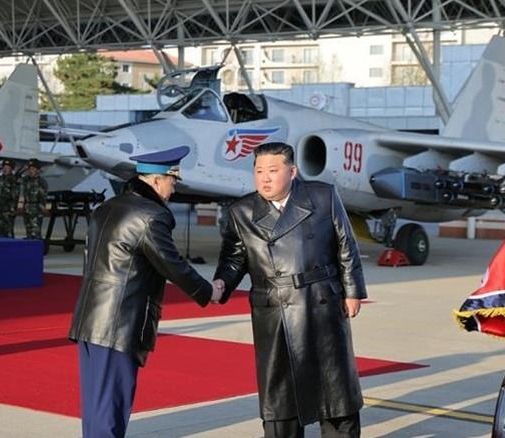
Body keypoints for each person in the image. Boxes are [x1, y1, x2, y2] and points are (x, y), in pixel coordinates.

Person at [68, 145, 223, 438]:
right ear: (155, 180)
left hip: (90, 318)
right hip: (118, 323)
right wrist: (208, 292)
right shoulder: (150, 215)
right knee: (110, 410)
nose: (173, 189)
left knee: (95, 408)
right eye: (172, 181)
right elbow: (172, 265)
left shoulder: (107, 208)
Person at [213, 141, 367, 438]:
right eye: (259, 171)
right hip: (275, 310)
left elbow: (346, 244)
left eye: (273, 170)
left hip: (321, 303)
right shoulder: (242, 211)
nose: (265, 178)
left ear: (292, 171)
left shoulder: (322, 196)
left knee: (335, 392)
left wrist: (352, 291)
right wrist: (221, 284)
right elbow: (234, 259)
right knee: (280, 398)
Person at [0, 159, 19, 238]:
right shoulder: (0, 179)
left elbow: (15, 196)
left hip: (8, 209)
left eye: (8, 167)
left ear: (11, 169)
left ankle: (10, 248)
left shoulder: (13, 180)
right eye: (4, 167)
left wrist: (13, 209)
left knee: (9, 231)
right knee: (1, 230)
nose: (5, 169)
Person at [20, 158, 48, 239]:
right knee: (28, 232)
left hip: (36, 209)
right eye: (29, 169)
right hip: (27, 208)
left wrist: (41, 211)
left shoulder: (42, 182)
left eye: (33, 169)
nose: (30, 170)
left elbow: (43, 198)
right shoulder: (26, 180)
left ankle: (38, 249)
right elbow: (16, 178)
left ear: (38, 170)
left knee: (36, 232)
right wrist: (24, 168)